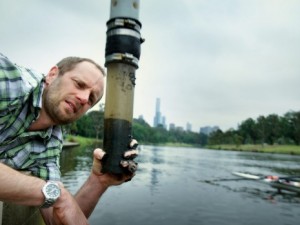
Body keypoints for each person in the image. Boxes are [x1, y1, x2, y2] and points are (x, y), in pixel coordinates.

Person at [0, 53, 138, 225]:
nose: (84, 98)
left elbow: (57, 219)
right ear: (52, 75)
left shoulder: (51, 145)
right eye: (79, 84)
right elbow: (56, 196)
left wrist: (98, 181)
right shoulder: (9, 81)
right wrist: (51, 192)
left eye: (91, 99)